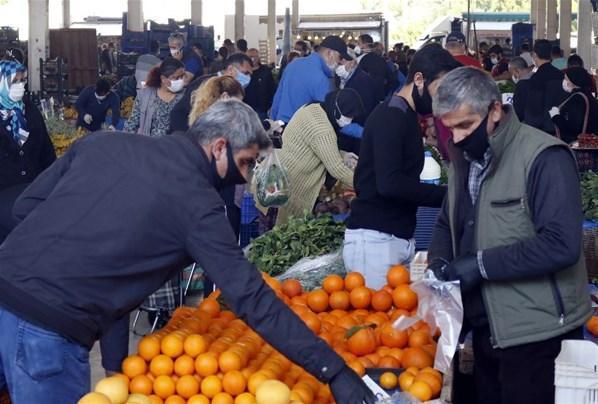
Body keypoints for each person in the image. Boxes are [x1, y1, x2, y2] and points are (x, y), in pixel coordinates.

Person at [0, 99, 375, 404]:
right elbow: (251, 297)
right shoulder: (197, 204)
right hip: (45, 331)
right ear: (218, 147)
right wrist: (334, 372)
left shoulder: (104, 142)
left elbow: (24, 208)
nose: (246, 176)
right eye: (245, 163)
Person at [428, 66, 591, 404]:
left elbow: (561, 245)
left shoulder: (544, 157)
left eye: (465, 126)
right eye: (449, 129)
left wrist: (480, 265)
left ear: (495, 111)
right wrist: (439, 263)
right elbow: (447, 222)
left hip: (538, 335)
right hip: (486, 331)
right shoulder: (465, 159)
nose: (456, 138)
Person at [344, 44, 460, 289]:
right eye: (439, 89)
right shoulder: (391, 116)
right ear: (419, 79)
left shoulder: (406, 115)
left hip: (394, 237)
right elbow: (390, 183)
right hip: (375, 240)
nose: (442, 98)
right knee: (375, 323)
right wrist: (449, 195)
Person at [276, 89, 364, 225]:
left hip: (281, 177)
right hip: (295, 185)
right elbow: (337, 169)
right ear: (337, 110)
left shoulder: (314, 108)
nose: (350, 120)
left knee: (278, 231)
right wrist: (365, 185)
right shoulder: (323, 130)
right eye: (349, 116)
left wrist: (343, 155)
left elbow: (316, 146)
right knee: (287, 230)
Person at [0, 60, 55, 243]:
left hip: (32, 190)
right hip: (4, 194)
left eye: (23, 80)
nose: (20, 86)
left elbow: (45, 149)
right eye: (14, 81)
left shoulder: (30, 111)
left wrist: (53, 181)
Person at [271, 36, 351, 123]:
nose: (340, 62)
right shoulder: (321, 79)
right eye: (340, 57)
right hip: (301, 132)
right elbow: (329, 118)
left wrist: (273, 123)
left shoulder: (293, 64)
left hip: (281, 126)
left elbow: (277, 98)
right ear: (330, 53)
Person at [170, 52, 253, 133]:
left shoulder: (238, 90)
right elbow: (179, 113)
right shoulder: (204, 84)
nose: (248, 78)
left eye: (250, 75)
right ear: (230, 69)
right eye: (245, 73)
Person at [124, 58, 185, 137]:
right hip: (149, 146)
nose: (181, 80)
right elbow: (132, 123)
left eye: (182, 76)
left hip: (174, 146)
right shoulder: (145, 95)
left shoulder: (186, 97)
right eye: (176, 78)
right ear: (163, 78)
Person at [521, 39, 567, 134]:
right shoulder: (561, 75)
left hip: (543, 129)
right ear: (550, 54)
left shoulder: (536, 78)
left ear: (534, 55)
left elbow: (533, 108)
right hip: (560, 126)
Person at [549, 67, 598, 143]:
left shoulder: (577, 99)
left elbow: (573, 128)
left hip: (578, 147)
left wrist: (555, 117)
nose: (564, 82)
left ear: (573, 81)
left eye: (566, 79)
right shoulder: (588, 95)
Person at [355, 34, 392, 102]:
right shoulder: (381, 59)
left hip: (365, 98)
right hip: (380, 96)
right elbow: (390, 78)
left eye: (359, 43)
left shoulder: (360, 60)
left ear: (365, 44)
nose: (357, 45)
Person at [245, 48, 277, 121]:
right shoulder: (244, 72)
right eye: (250, 57)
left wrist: (271, 104)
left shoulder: (265, 71)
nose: (252, 59)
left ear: (259, 57)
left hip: (262, 109)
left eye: (255, 57)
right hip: (246, 108)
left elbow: (272, 88)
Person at [509, 57, 535, 121]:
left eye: (512, 73)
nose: (512, 76)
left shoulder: (521, 85)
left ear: (516, 71)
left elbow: (518, 111)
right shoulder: (538, 77)